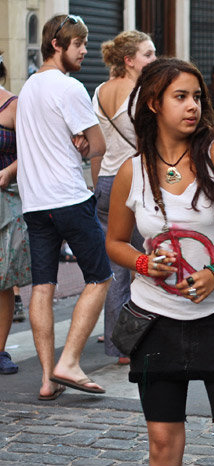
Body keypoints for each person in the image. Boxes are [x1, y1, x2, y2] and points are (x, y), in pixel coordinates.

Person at [105, 57, 214, 465]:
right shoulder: (132, 171)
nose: (193, 105)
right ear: (155, 104)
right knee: (162, 443)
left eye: (197, 97)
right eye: (181, 97)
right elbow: (115, 243)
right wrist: (145, 264)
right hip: (155, 320)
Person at [16, 14, 111, 399]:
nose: (85, 50)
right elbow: (99, 145)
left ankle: (46, 380)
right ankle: (68, 361)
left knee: (42, 286)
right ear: (57, 44)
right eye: (79, 44)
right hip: (68, 198)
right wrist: (87, 145)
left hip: (35, 202)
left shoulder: (29, 89)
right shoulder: (69, 88)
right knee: (100, 277)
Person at [93, 30, 156, 365]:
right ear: (129, 60)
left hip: (105, 182)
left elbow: (95, 145)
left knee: (117, 268)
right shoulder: (140, 94)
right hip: (134, 184)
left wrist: (97, 188)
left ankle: (120, 346)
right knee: (145, 262)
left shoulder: (100, 91)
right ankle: (141, 338)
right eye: (148, 54)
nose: (154, 60)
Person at [0, 51, 32, 376]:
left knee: (3, 280)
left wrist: (8, 171)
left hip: (6, 201)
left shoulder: (13, 106)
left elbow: (30, 152)